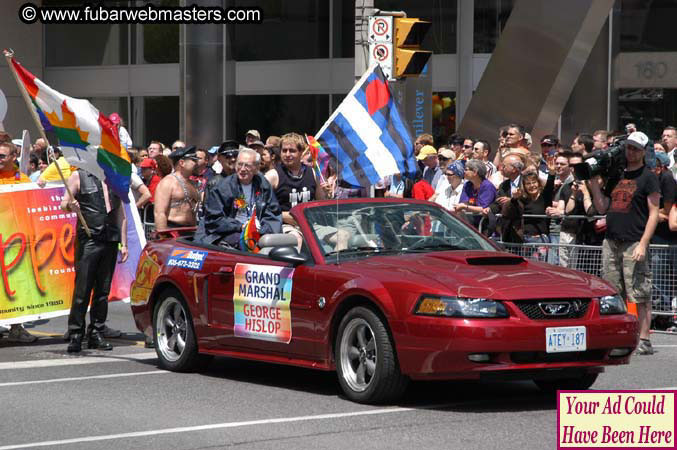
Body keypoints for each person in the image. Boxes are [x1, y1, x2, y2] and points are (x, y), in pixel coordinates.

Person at [587, 131, 660, 355]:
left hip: (633, 240)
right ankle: (620, 336)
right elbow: (602, 207)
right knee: (613, 291)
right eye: (629, 147)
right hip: (611, 240)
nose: (631, 152)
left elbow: (654, 212)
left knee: (639, 292)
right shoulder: (616, 174)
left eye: (636, 148)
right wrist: (593, 183)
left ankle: (645, 338)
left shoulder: (648, 177)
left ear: (644, 151)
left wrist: (643, 243)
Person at [60, 168, 128, 352]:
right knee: (82, 289)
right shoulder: (79, 176)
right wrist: (70, 206)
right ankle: (75, 334)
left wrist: (124, 243)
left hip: (110, 240)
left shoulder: (114, 179)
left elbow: (121, 215)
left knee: (102, 291)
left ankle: (96, 332)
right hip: (89, 239)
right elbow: (64, 202)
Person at [196, 148, 281, 247]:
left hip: (258, 232)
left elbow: (273, 214)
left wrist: (262, 229)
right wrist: (240, 226)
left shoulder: (263, 185)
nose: (243, 169)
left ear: (256, 168)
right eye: (240, 164)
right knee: (248, 243)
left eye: (247, 165)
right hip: (227, 233)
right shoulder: (222, 187)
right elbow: (213, 220)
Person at [0, 141, 38, 343]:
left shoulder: (22, 180)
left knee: (17, 287)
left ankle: (16, 327)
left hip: (15, 244)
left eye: (2, 156)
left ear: (13, 157)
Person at [265, 132, 329, 249]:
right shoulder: (272, 176)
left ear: (301, 152)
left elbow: (320, 202)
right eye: (284, 150)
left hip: (310, 225)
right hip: (285, 226)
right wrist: (283, 215)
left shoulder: (313, 173)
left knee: (342, 235)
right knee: (297, 240)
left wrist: (326, 193)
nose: (287, 154)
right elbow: (262, 208)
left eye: (292, 151)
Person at [501, 159, 556, 245]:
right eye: (528, 184)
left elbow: (549, 186)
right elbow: (512, 210)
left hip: (540, 239)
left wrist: (552, 173)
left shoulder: (545, 197)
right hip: (523, 239)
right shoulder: (523, 198)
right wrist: (514, 199)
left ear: (538, 184)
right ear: (524, 186)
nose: (532, 186)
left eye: (534, 182)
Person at [649, 151, 676, 313]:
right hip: (658, 238)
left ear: (659, 168)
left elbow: (667, 210)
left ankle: (668, 312)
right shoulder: (652, 181)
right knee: (659, 278)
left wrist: (651, 214)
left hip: (669, 238)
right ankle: (663, 312)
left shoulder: (666, 179)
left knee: (665, 277)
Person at [154, 146, 199, 231]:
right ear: (182, 163)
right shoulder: (168, 182)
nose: (196, 163)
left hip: (191, 232)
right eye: (193, 160)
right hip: (173, 231)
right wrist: (164, 238)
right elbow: (160, 213)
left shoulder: (192, 183)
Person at [455, 159, 497, 224]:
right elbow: (464, 202)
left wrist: (465, 207)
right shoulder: (468, 184)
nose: (464, 171)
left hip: (483, 224)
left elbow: (483, 208)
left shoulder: (488, 187)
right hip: (469, 221)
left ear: (475, 172)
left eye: (466, 169)